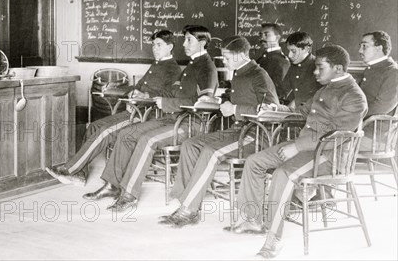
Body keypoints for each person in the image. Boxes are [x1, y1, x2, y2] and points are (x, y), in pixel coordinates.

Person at [229, 44, 368, 259]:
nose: (314, 72)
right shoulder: (326, 88)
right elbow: (303, 110)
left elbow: (336, 135)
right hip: (307, 148)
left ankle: (274, 238)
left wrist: (297, 147)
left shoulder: (354, 96)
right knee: (254, 161)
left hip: (329, 157)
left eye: (320, 67)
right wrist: (278, 109)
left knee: (282, 174)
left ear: (338, 68)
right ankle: (252, 219)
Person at [158, 35, 278, 227]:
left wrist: (236, 109)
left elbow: (271, 107)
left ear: (240, 55)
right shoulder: (239, 73)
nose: (225, 62)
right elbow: (239, 99)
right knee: (190, 144)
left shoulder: (258, 74)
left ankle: (188, 209)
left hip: (255, 135)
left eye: (228, 58)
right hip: (237, 130)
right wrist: (217, 102)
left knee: (210, 152)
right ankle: (185, 203)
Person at [97, 25, 218, 211]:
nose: (184, 44)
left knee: (147, 140)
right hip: (172, 118)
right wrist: (157, 100)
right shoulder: (193, 64)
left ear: (202, 42)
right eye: (185, 39)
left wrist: (168, 103)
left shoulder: (206, 67)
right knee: (127, 133)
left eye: (189, 40)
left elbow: (205, 103)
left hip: (190, 123)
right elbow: (174, 92)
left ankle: (129, 195)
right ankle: (113, 184)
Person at [45, 29, 181, 187]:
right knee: (94, 126)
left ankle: (70, 169)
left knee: (105, 132)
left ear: (170, 47)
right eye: (153, 45)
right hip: (134, 110)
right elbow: (137, 87)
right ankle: (81, 174)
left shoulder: (173, 69)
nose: (154, 49)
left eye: (159, 45)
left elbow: (169, 95)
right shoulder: (156, 65)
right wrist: (127, 90)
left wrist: (144, 95)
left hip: (147, 116)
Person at [358, 31, 398, 153]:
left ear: (379, 48)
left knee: (322, 141)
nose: (360, 50)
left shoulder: (392, 72)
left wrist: (351, 118)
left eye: (364, 46)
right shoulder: (371, 69)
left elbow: (382, 107)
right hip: (361, 129)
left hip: (375, 136)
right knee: (315, 135)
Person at [275, 31, 320, 114]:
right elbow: (283, 90)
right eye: (289, 51)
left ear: (306, 49)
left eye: (293, 51)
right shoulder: (294, 66)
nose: (289, 55)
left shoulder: (318, 66)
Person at [256, 23, 290, 98]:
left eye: (266, 34)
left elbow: (280, 92)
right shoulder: (263, 58)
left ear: (277, 37)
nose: (262, 38)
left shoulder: (281, 61)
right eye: (261, 35)